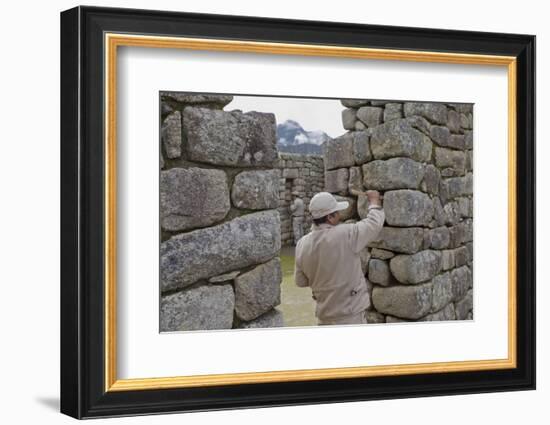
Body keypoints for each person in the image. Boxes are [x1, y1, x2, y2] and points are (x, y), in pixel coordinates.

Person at [294, 190, 385, 325]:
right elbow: (374, 223)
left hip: (324, 317)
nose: (340, 216)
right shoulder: (346, 234)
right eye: (337, 213)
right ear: (330, 217)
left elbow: (300, 281)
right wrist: (374, 201)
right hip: (351, 315)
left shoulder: (302, 244)